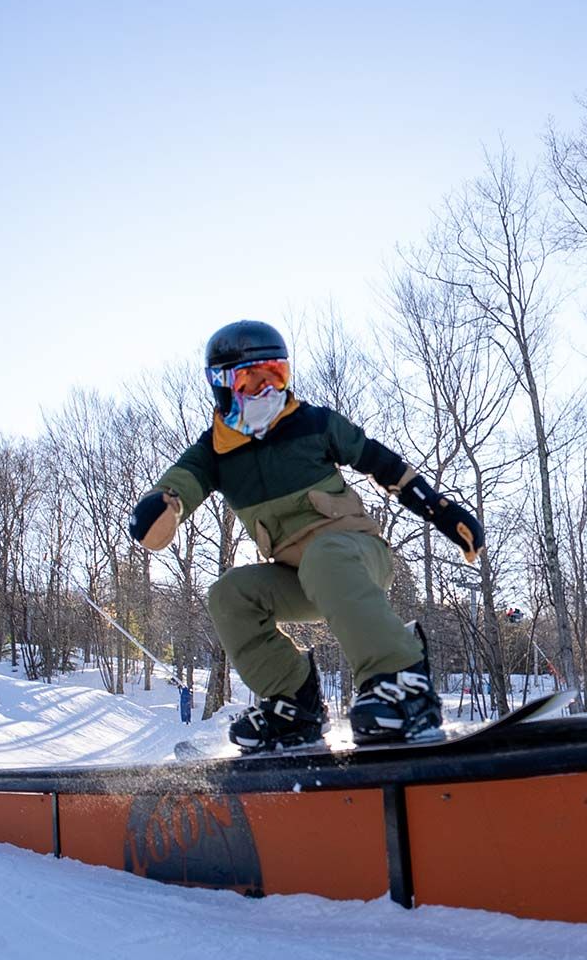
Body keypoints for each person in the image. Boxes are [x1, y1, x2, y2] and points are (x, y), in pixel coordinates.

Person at [127, 320, 485, 755]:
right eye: (250, 380)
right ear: (222, 387)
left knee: (325, 556)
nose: (266, 392)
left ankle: (402, 681)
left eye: (274, 377)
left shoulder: (313, 423)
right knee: (228, 594)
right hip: (301, 578)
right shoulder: (216, 453)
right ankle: (293, 704)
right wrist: (163, 505)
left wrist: (440, 511)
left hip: (358, 557)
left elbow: (381, 463)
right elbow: (181, 484)